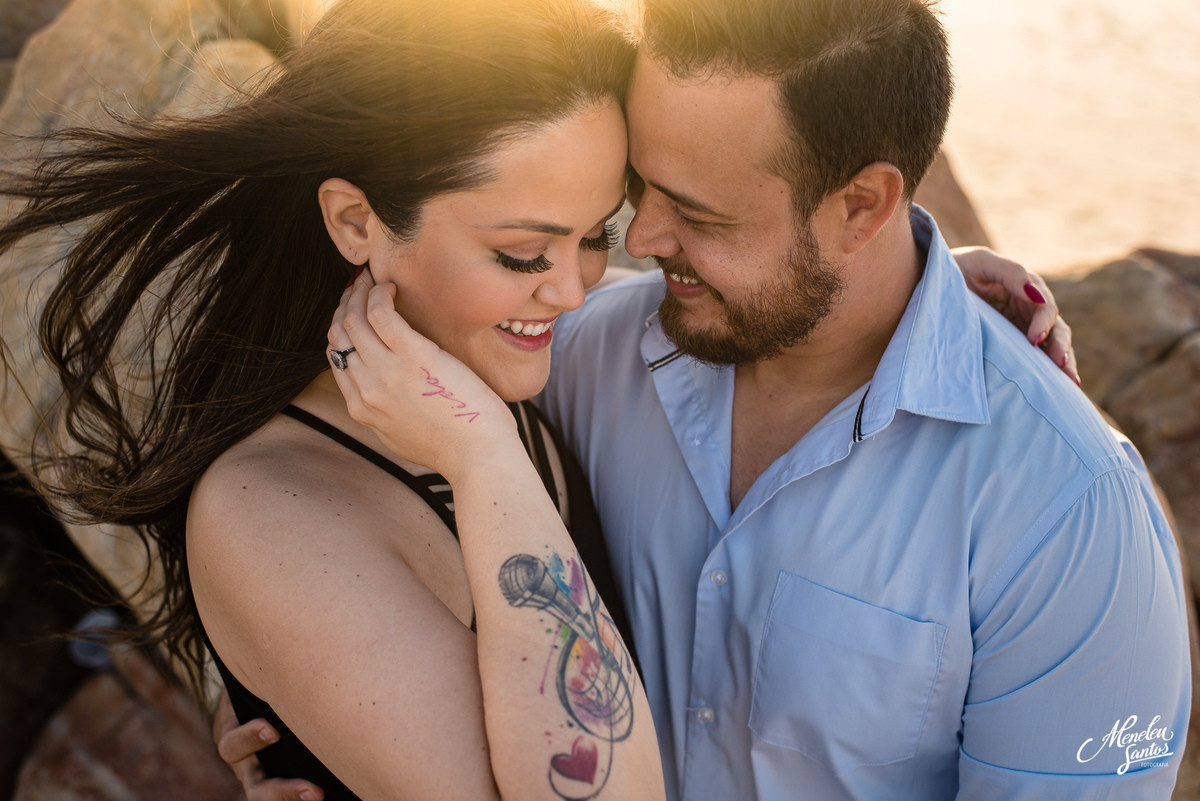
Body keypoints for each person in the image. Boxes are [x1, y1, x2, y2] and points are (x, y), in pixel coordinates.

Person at [221, 0, 1187, 799]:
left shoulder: (1067, 511)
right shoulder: (582, 356)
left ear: (863, 208)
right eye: (639, 191)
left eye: (703, 215)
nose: (643, 239)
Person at [0, 0, 667, 798]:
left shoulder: (533, 353)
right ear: (357, 222)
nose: (571, 288)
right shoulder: (271, 513)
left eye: (596, 234)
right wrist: (483, 456)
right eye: (523, 253)